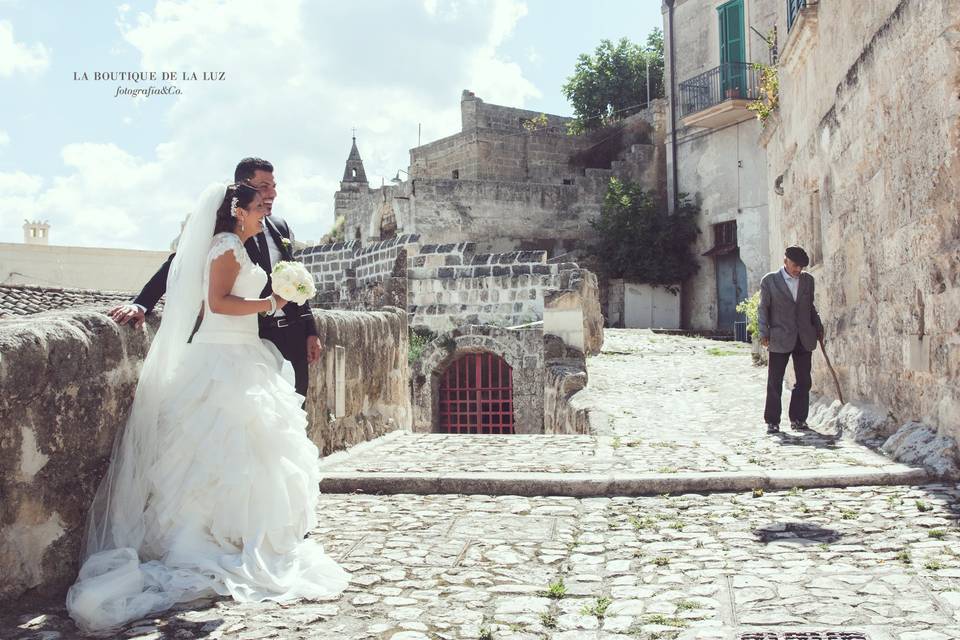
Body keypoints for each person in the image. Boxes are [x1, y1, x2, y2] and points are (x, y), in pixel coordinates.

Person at [66, 182, 348, 633]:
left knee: (248, 450)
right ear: (238, 210)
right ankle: (207, 536)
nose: (266, 209)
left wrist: (292, 305)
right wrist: (272, 302)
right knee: (216, 449)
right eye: (260, 204)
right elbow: (217, 302)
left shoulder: (247, 240)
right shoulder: (223, 246)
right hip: (221, 357)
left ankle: (239, 531)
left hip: (246, 353)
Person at [108, 158, 322, 397]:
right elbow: (178, 264)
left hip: (293, 335)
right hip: (254, 336)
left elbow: (293, 280)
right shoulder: (224, 232)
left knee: (295, 411)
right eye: (264, 186)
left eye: (273, 185)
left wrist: (310, 330)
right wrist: (140, 304)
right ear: (244, 187)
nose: (272, 193)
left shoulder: (279, 226)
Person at [757, 245, 825, 434]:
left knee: (804, 380)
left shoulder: (808, 281)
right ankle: (772, 421)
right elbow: (763, 308)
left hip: (804, 336)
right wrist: (764, 332)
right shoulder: (770, 281)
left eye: (801, 267)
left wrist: (818, 327)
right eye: (795, 265)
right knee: (775, 381)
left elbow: (810, 307)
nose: (798, 270)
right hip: (779, 336)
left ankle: (798, 419)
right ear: (785, 261)